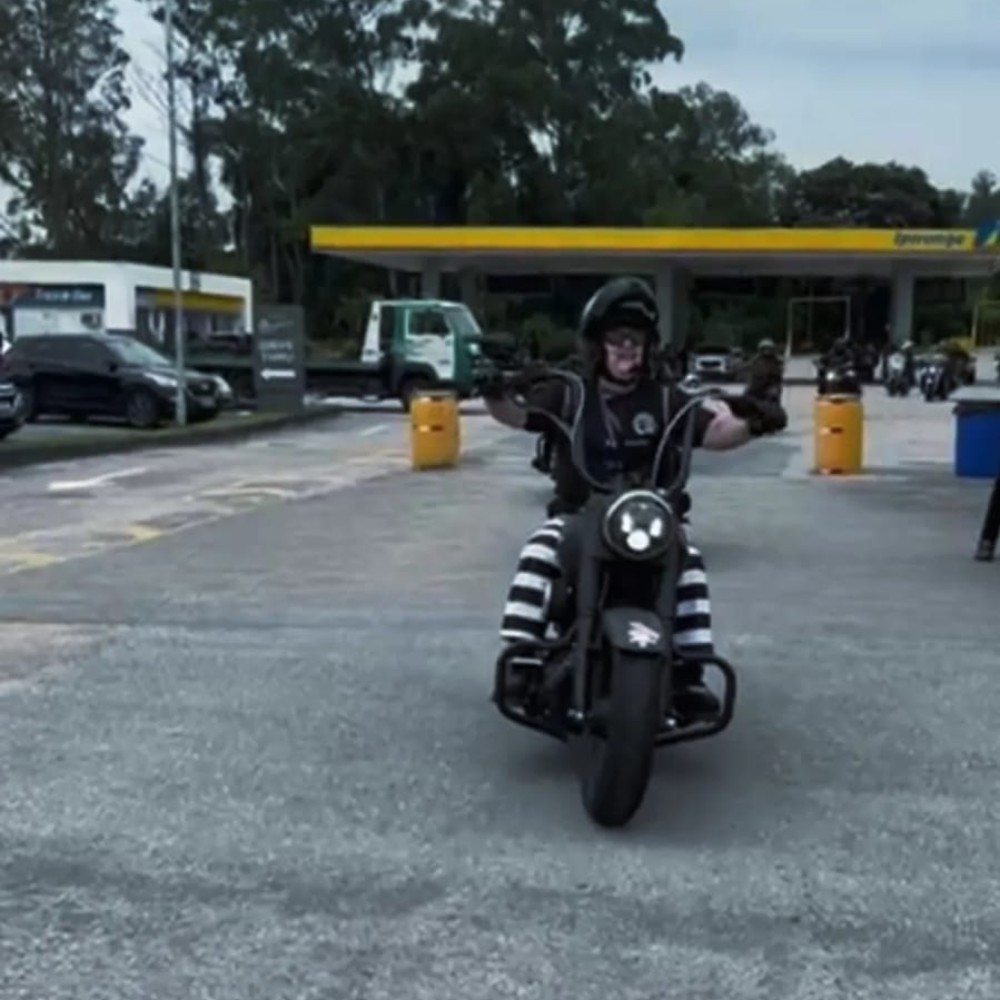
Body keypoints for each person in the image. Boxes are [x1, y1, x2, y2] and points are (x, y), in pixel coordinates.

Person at [478, 277, 787, 718]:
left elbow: (716, 431)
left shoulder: (664, 398)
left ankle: (689, 675)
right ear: (597, 344)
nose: (628, 347)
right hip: (580, 514)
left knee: (689, 562)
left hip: (648, 518)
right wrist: (493, 391)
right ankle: (520, 661)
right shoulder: (569, 391)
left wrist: (756, 420)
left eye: (636, 339)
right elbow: (517, 415)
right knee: (539, 549)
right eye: (618, 337)